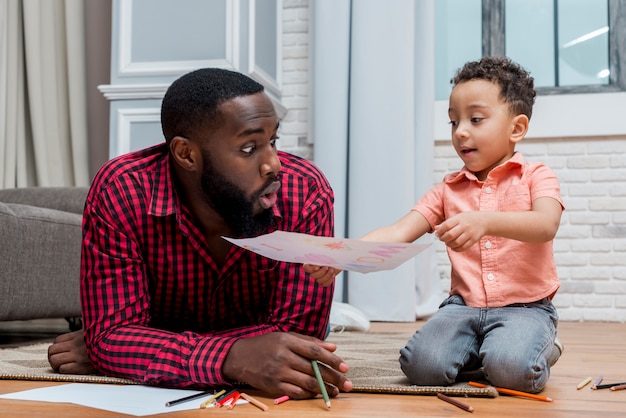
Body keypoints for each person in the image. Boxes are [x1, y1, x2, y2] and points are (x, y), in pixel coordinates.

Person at [47, 67, 351, 399]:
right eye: (250, 148)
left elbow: (297, 338)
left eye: (273, 141)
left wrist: (131, 350)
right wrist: (232, 358)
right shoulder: (121, 190)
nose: (274, 164)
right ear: (186, 154)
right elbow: (112, 337)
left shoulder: (306, 193)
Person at [311, 56, 564, 393]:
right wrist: (341, 256)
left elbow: (545, 224)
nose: (460, 131)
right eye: (453, 121)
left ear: (516, 128)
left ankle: (540, 346)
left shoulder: (537, 176)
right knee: (421, 367)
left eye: (475, 119)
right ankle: (488, 348)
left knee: (512, 373)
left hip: (526, 308)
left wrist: (484, 221)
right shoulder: (447, 190)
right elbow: (397, 233)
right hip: (462, 308)